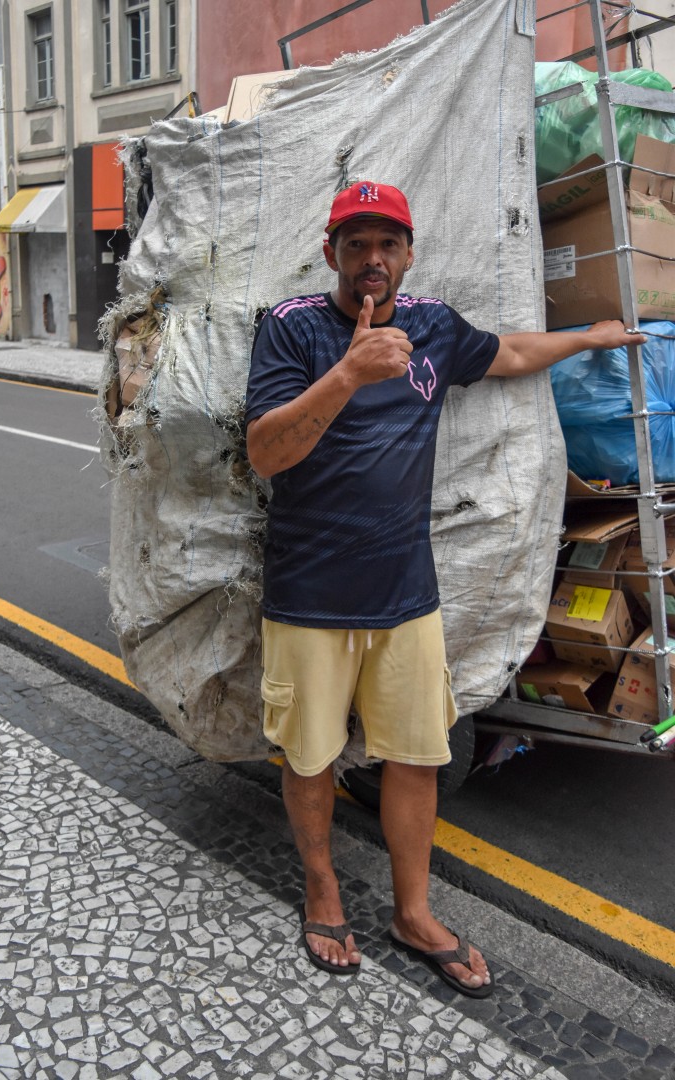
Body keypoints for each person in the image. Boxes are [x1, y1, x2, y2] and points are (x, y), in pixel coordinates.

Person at [244, 180, 644, 994]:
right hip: (310, 596)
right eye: (355, 245)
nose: (372, 261)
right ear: (332, 255)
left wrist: (588, 336)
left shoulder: (432, 327)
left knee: (417, 758)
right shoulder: (290, 330)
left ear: (409, 254)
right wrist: (349, 373)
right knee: (310, 756)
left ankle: (412, 910)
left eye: (387, 244)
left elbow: (511, 355)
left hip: (406, 596)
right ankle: (323, 888)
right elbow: (265, 452)